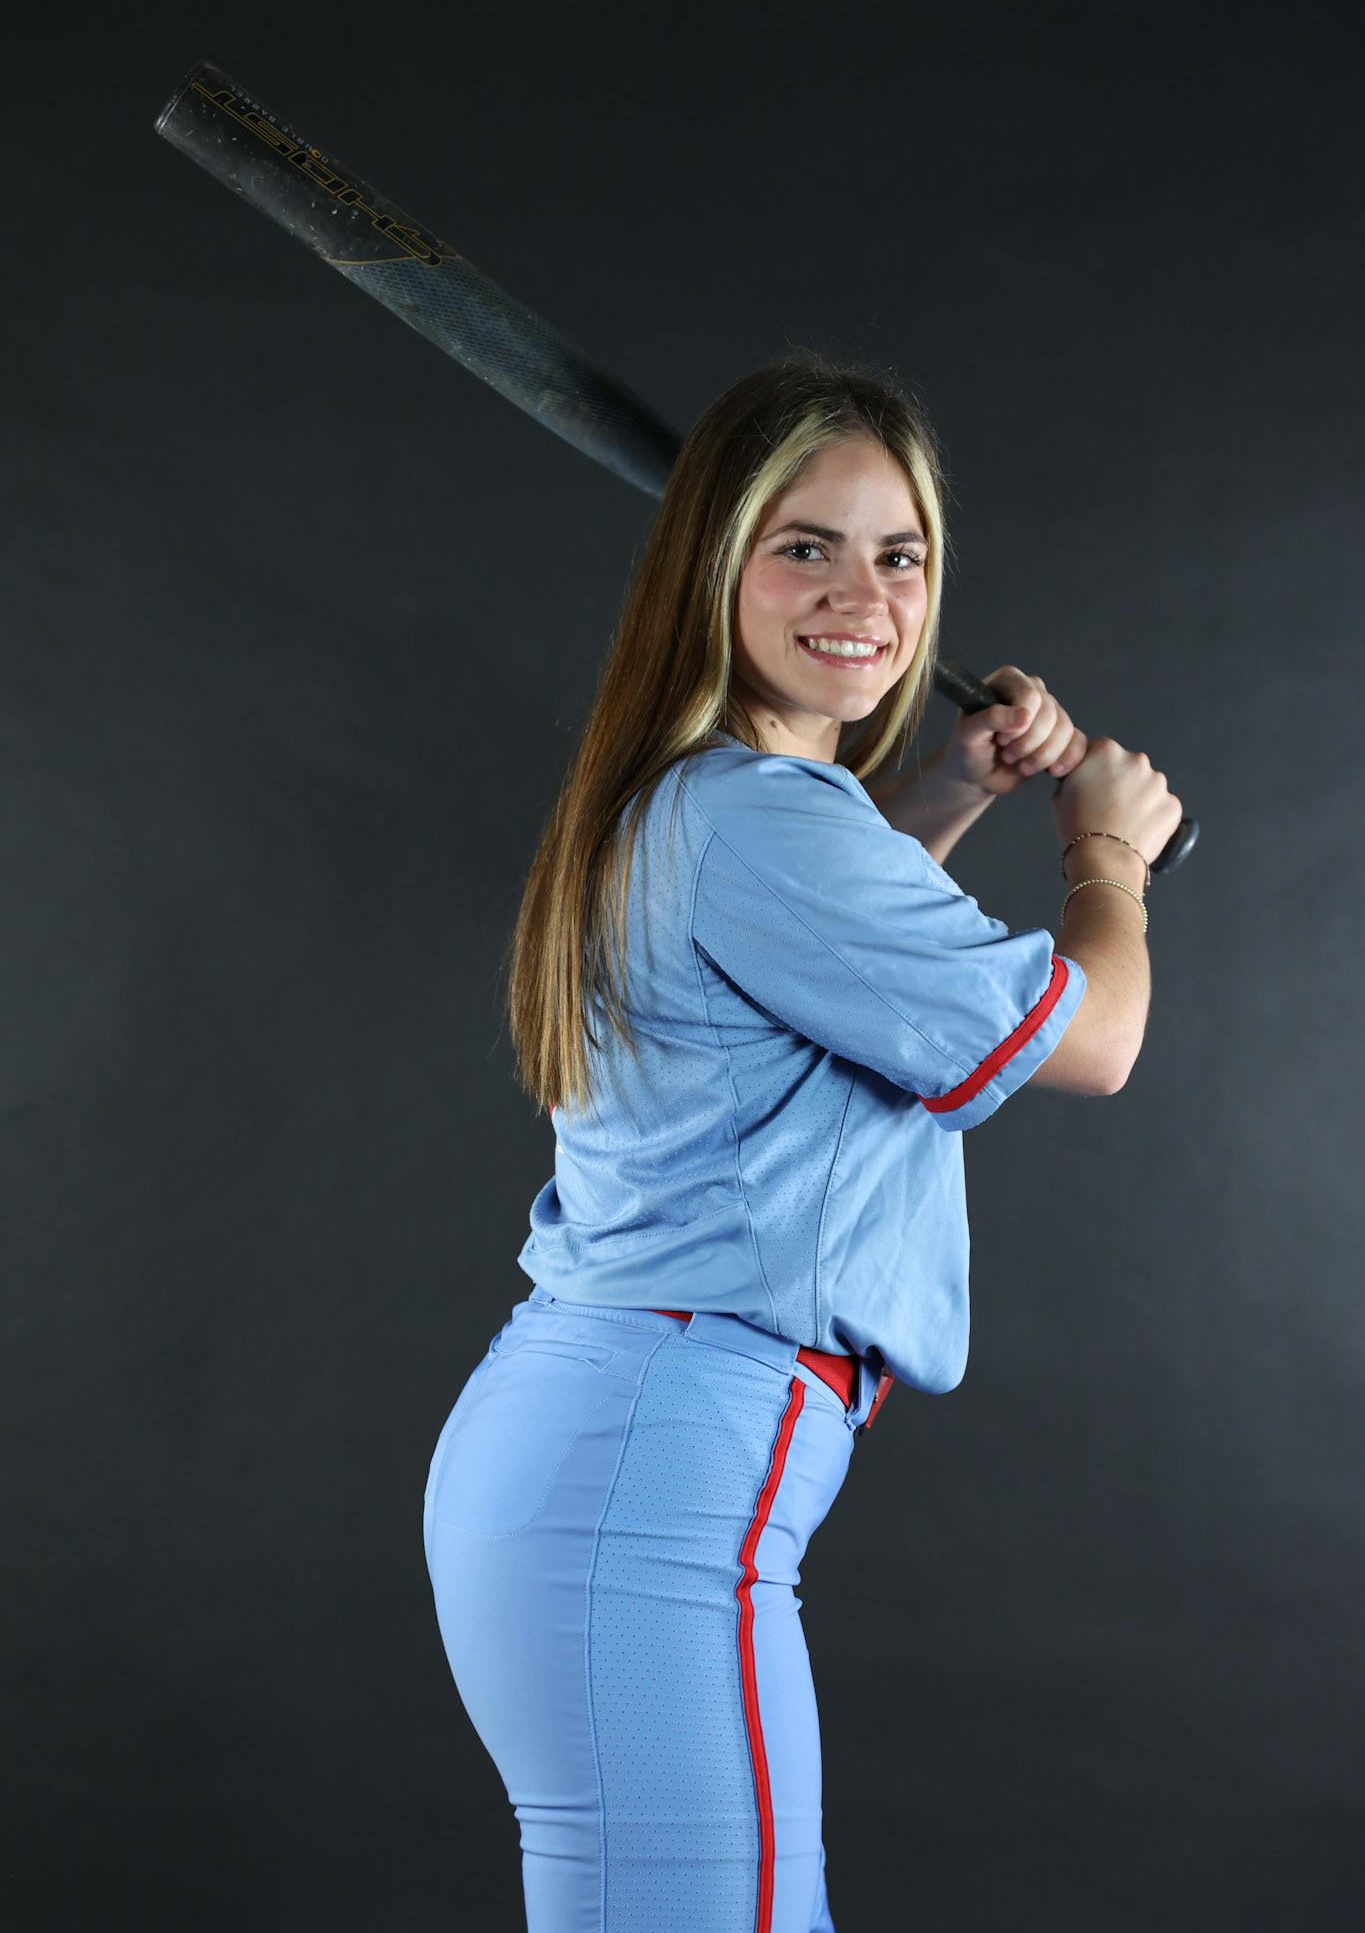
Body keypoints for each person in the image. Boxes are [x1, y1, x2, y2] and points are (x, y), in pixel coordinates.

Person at [422, 357, 1182, 1933]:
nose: (862, 594)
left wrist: (953, 787)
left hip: (599, 1440)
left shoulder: (713, 804)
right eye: (803, 546)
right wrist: (1104, 851)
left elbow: (819, 964)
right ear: (716, 567)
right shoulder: (762, 819)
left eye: (897, 554)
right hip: (651, 1462)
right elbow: (1094, 1040)